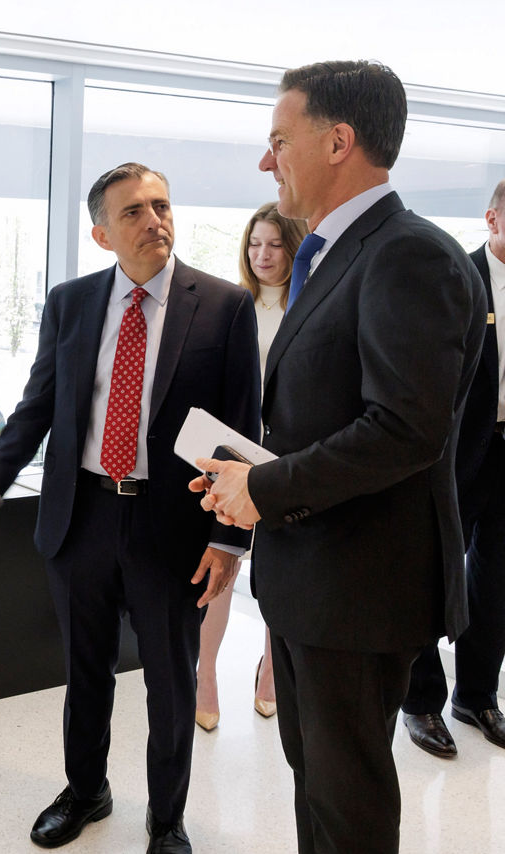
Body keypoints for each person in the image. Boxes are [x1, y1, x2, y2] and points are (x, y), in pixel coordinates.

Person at [194, 60, 485, 854]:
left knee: (347, 802)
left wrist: (266, 487)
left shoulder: (408, 254)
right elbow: (325, 412)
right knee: (317, 784)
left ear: (337, 143)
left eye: (279, 141)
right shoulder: (331, 253)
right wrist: (243, 478)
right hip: (311, 577)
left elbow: (405, 428)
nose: (267, 161)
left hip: (360, 587)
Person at [0, 163, 261, 853]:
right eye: (133, 212)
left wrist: (229, 540)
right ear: (101, 234)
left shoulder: (224, 306)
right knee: (86, 671)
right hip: (82, 519)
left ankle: (167, 819)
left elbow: (243, 429)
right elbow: (37, 405)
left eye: (161, 205)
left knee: (171, 683)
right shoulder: (70, 303)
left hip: (172, 525)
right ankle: (86, 790)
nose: (154, 220)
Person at [194, 202, 307, 731]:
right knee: (224, 562)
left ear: (295, 247)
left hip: (287, 459)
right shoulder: (231, 305)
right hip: (234, 454)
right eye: (255, 243)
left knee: (279, 572)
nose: (263, 254)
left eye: (275, 244)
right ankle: (206, 674)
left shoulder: (309, 305)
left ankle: (271, 672)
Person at [403, 179, 505, 758]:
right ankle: (420, 702)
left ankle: (477, 696)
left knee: (496, 581)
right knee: (431, 573)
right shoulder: (458, 277)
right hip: (455, 451)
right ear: (492, 219)